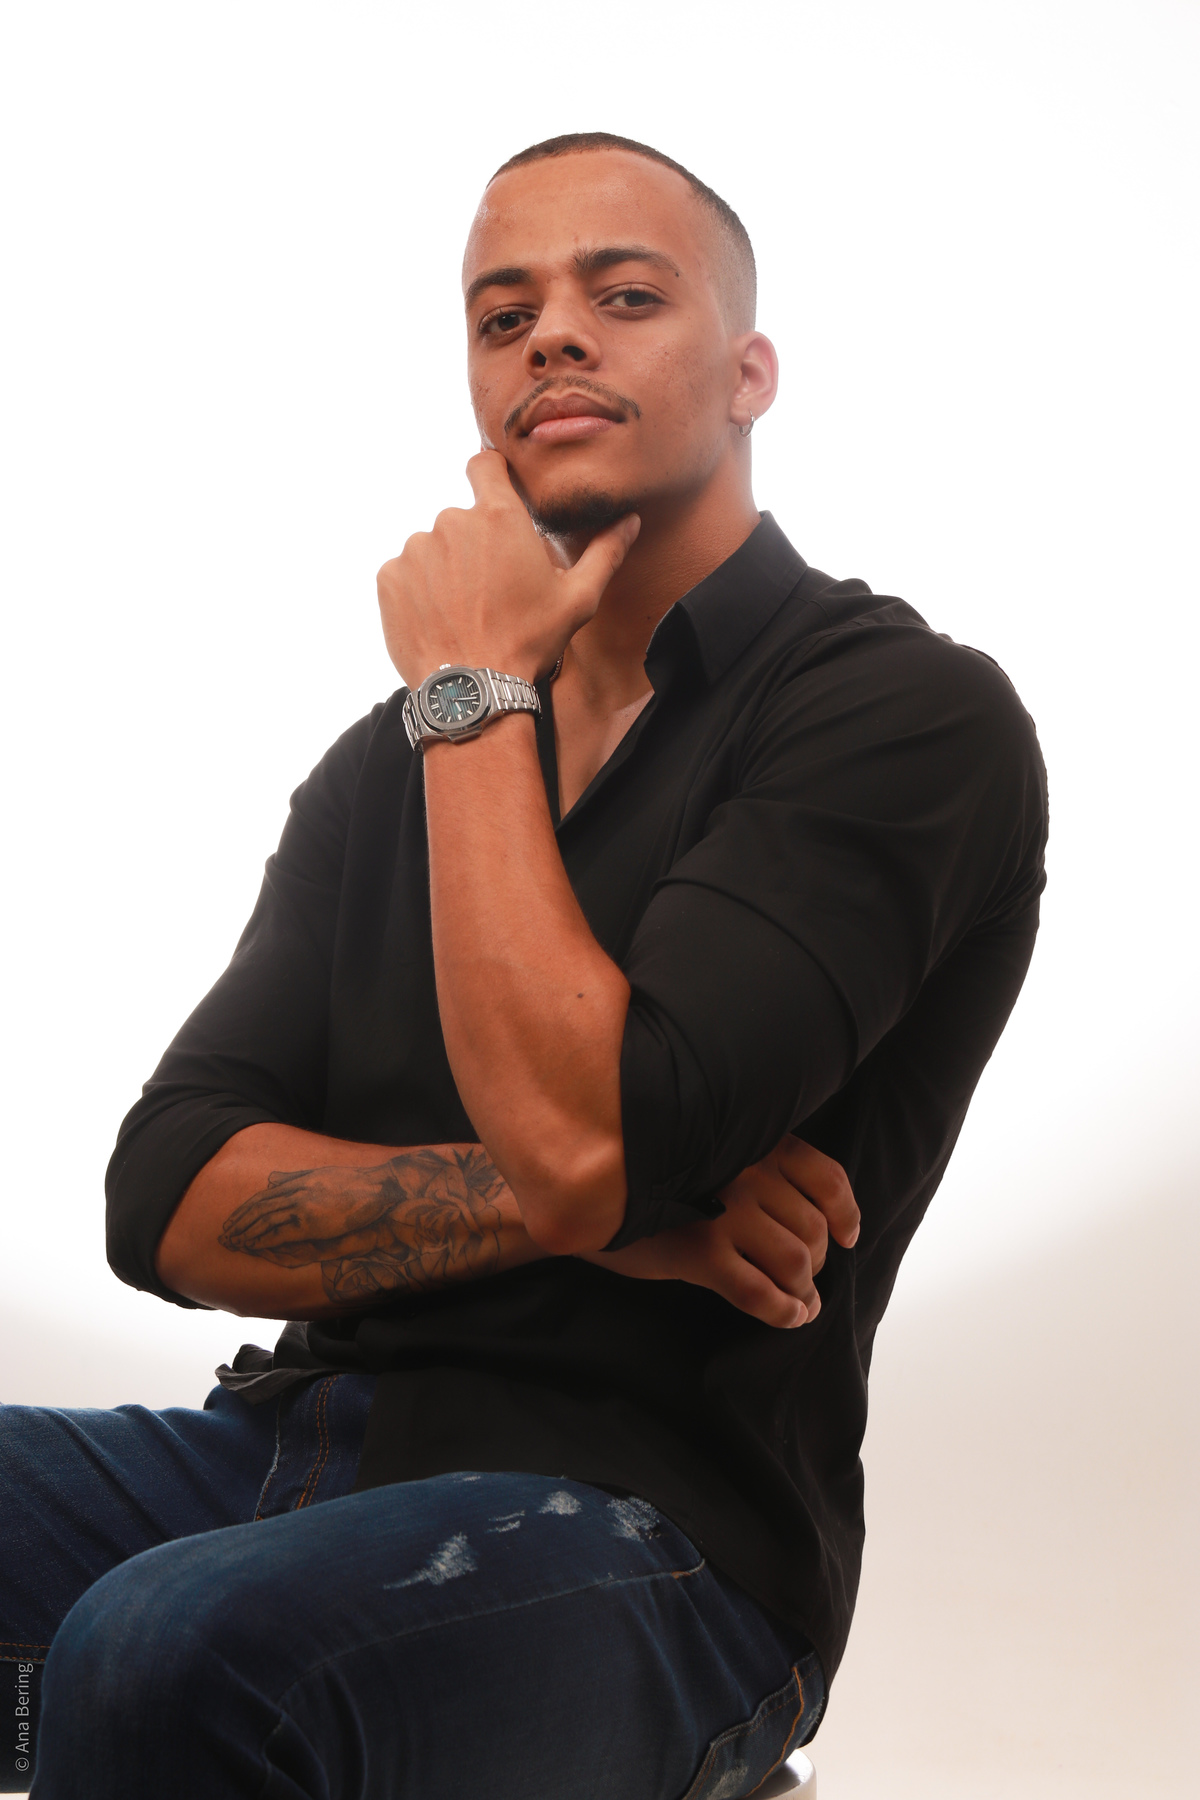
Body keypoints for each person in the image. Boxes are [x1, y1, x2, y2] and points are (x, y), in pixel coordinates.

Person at [0, 132, 1047, 1798]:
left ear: (750, 373)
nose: (551, 334)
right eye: (503, 317)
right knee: (172, 1612)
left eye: (623, 296)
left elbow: (586, 1139)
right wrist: (609, 1217)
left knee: (169, 1643)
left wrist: (476, 688)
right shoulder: (390, 765)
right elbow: (170, 1196)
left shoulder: (898, 713)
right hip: (295, 1446)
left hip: (654, 1530)